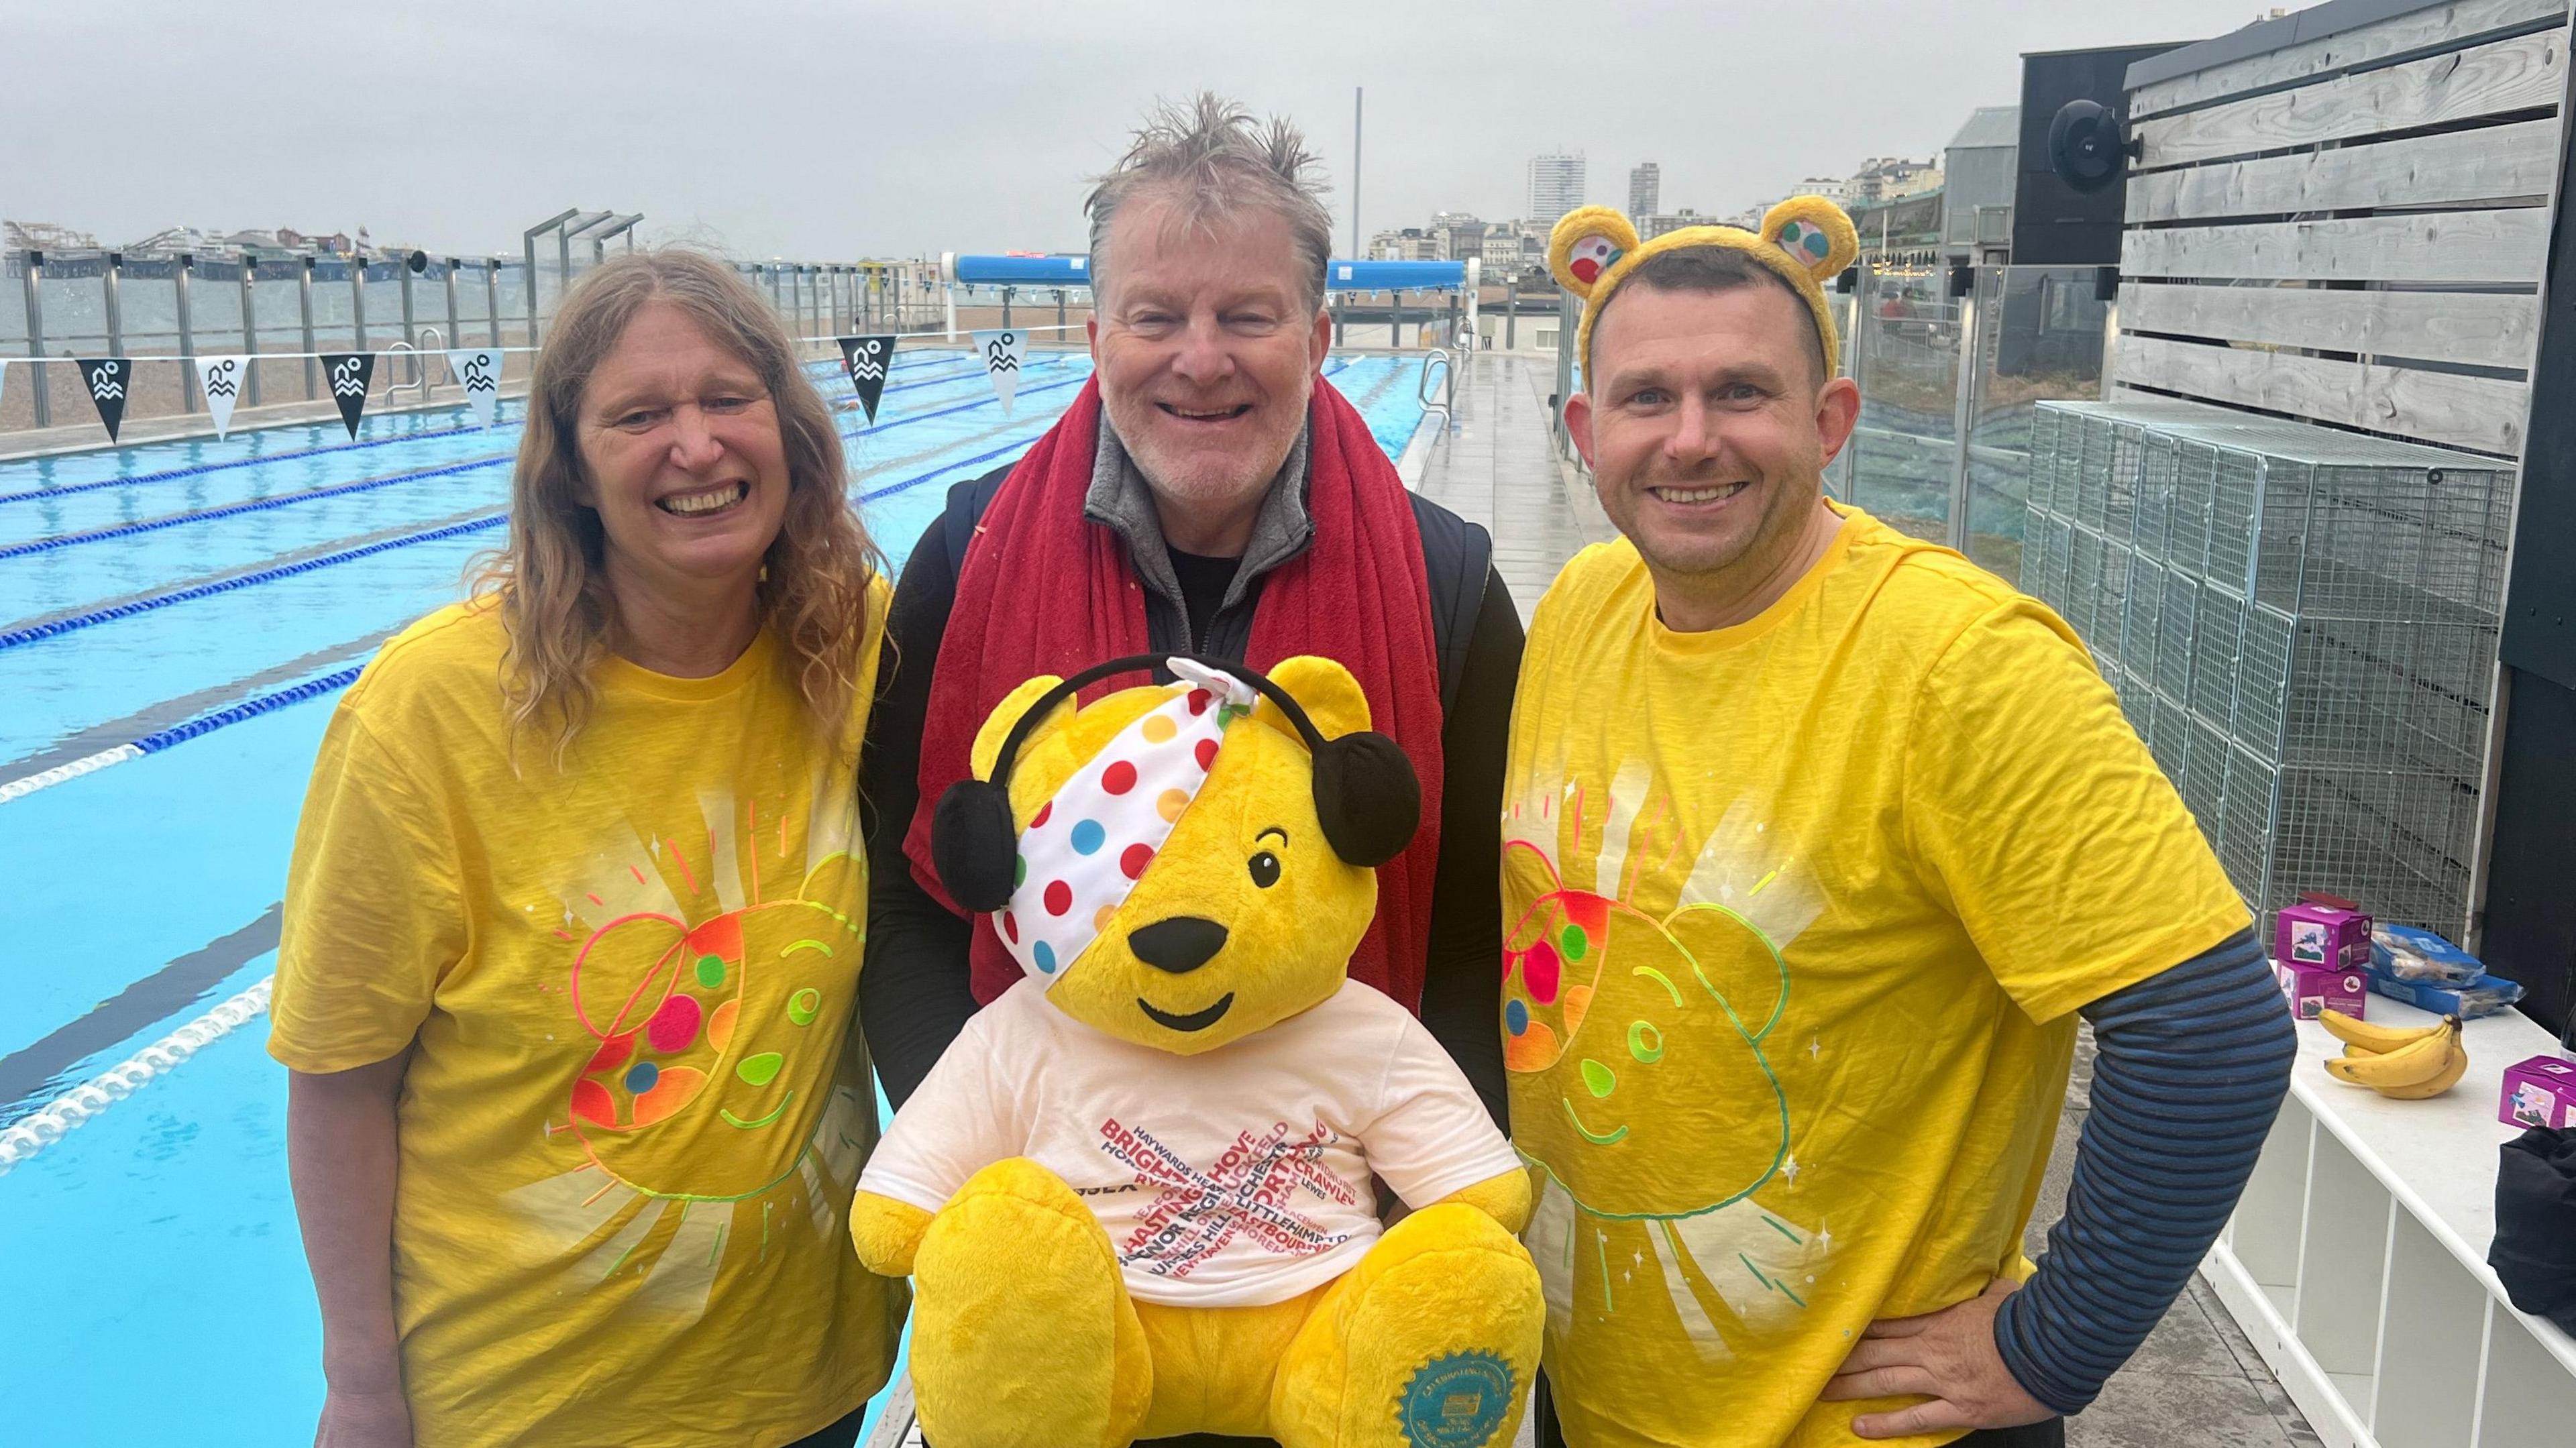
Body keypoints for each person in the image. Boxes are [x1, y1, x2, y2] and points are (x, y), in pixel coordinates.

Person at [1505, 199, 2296, 1447]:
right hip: (1605, 1397)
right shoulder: (1582, 609)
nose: (1691, 439)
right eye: (1647, 397)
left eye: (1743, 393)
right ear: (1584, 430)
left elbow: (2210, 1035)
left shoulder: (1959, 667)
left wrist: (2054, 1346)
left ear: (1832, 423)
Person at [270, 251, 900, 1448]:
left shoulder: (856, 650)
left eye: (727, 398)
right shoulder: (432, 711)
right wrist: (360, 1385)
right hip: (530, 1398)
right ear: (569, 468)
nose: (697, 446)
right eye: (639, 414)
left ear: (791, 432)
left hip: (807, 1380)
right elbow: (340, 1076)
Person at [859, 97, 1519, 1135]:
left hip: (1343, 1211)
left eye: (1247, 318)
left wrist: (1412, 1186)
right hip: (1047, 1185)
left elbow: (1478, 934)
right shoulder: (965, 553)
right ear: (1095, 337)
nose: (1200, 360)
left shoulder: (1452, 584)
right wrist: (994, 1155)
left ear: (1316, 340)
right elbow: (906, 902)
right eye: (1156, 317)